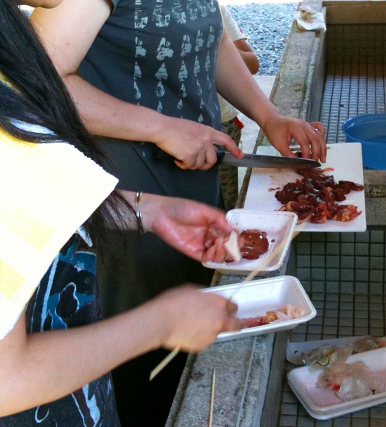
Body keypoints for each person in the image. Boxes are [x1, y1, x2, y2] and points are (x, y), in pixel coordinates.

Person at [31, 0, 327, 424]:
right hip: (122, 191)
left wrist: (269, 115)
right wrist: (161, 127)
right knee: (140, 343)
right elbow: (38, 84)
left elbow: (212, 38)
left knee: (196, 312)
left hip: (192, 171)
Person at [0, 0, 242, 425]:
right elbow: (6, 381)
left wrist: (144, 211)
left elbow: (20, 203)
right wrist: (159, 323)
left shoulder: (11, 43)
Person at [218, 3, 259, 209]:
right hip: (172, 131)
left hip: (223, 124)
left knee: (227, 200)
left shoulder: (214, 9)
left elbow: (253, 63)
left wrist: (215, 41)